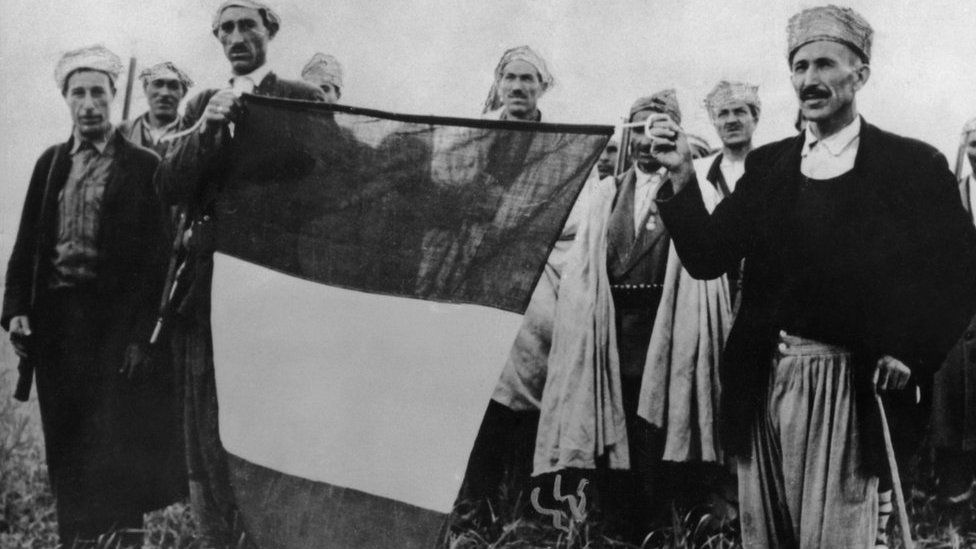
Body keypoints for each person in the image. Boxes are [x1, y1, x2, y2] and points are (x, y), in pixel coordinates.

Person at [645, 5, 976, 547]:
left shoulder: (910, 165)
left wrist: (913, 353)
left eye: (825, 64)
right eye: (799, 67)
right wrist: (681, 173)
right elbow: (708, 256)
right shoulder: (770, 166)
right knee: (769, 536)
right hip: (763, 379)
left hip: (849, 386)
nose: (809, 80)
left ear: (860, 73)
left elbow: (963, 270)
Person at [153, 2, 326, 546]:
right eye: (224, 28)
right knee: (208, 416)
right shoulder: (201, 102)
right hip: (205, 287)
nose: (235, 36)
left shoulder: (301, 99)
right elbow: (170, 186)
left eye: (246, 24)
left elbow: (331, 179)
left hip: (272, 284)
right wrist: (207, 128)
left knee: (269, 415)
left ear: (269, 31)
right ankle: (220, 534)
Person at [2, 44, 184, 546]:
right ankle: (76, 541)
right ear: (65, 99)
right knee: (67, 444)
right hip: (57, 330)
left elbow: (157, 263)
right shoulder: (50, 163)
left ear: (111, 99)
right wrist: (16, 311)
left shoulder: (143, 165)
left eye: (98, 93)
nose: (88, 103)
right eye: (78, 93)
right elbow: (25, 249)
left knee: (118, 445)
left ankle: (124, 541)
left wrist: (138, 339)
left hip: (113, 331)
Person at [930, 116, 976, 506]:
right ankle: (954, 502)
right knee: (954, 411)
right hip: (959, 321)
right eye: (975, 142)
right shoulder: (950, 196)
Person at [119, 61, 194, 155]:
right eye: (158, 84)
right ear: (146, 89)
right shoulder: (122, 132)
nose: (164, 93)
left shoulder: (193, 136)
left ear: (183, 93)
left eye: (173, 86)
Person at [482, 45, 553, 121]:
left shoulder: (559, 132)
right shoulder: (478, 130)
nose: (517, 87)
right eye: (510, 78)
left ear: (542, 88)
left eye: (526, 79)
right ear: (499, 85)